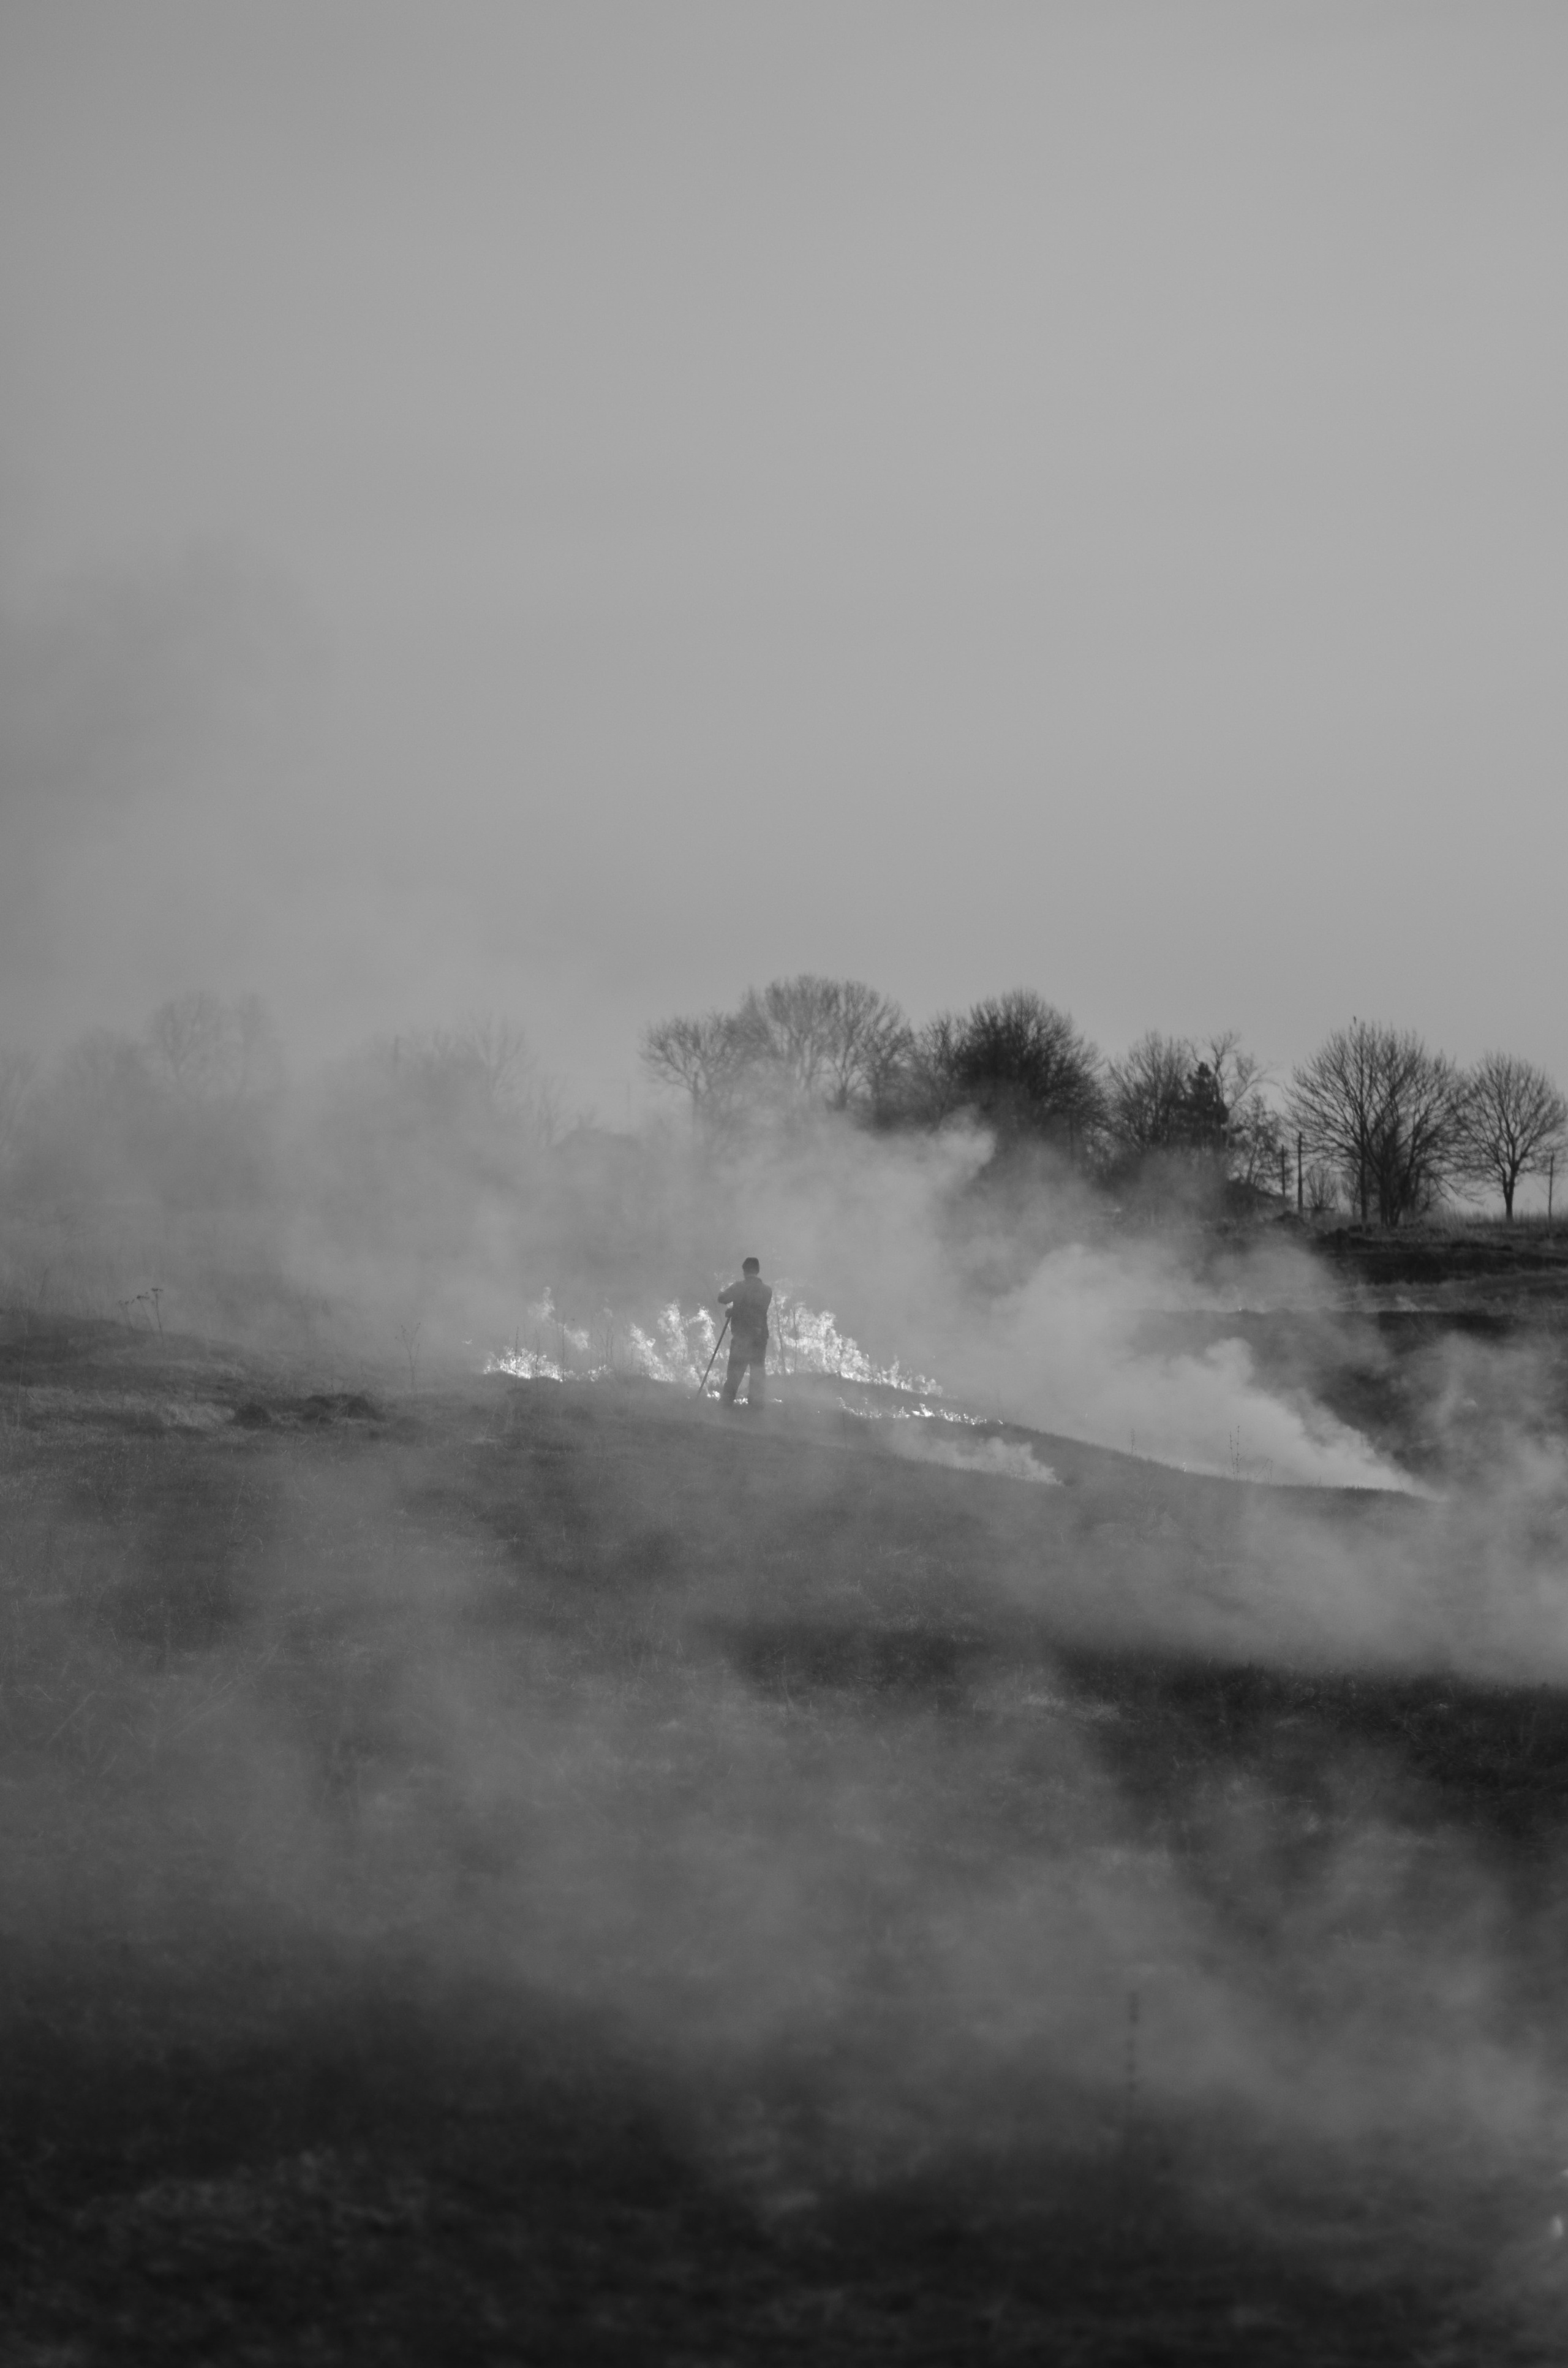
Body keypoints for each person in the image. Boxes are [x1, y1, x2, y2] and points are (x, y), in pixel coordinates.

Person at [715, 1257, 771, 1409]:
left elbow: (722, 1298)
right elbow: (755, 1308)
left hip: (743, 1336)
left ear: (745, 1271)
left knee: (735, 1369)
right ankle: (756, 1404)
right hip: (760, 1337)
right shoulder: (767, 1291)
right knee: (757, 1370)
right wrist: (736, 1310)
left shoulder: (739, 1287)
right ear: (758, 1271)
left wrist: (734, 1309)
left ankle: (727, 1401)